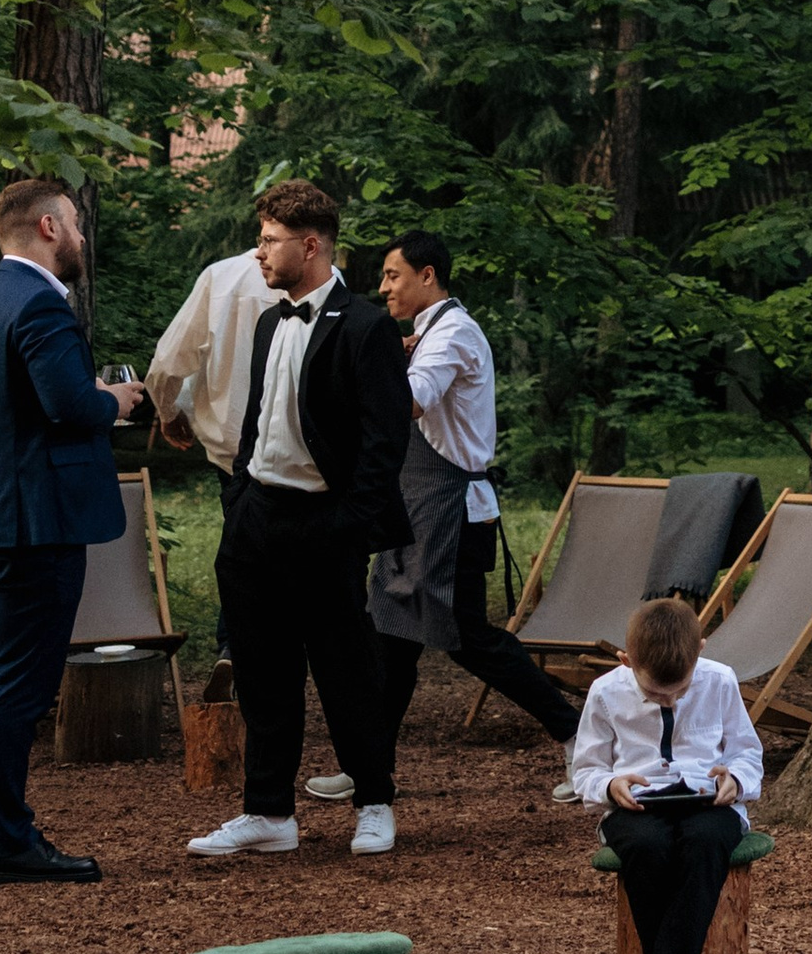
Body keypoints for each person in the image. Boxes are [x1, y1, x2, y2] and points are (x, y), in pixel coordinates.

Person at [0, 178, 144, 884]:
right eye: (74, 224)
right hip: (32, 523)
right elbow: (68, 405)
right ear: (47, 227)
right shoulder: (41, 307)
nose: (81, 236)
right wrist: (118, 399)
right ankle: (9, 840)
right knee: (19, 685)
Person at [188, 180, 412, 861]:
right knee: (261, 670)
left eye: (269, 241)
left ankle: (374, 802)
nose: (259, 253)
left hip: (326, 524)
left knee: (346, 669)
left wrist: (347, 527)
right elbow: (260, 422)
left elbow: (385, 442)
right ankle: (268, 813)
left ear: (309, 245)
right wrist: (241, 503)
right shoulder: (265, 321)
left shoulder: (368, 327)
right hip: (258, 519)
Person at [313, 230, 578, 800]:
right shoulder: (427, 334)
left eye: (393, 275)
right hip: (413, 509)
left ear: (427, 276)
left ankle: (578, 734)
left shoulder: (453, 334)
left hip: (455, 514)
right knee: (391, 637)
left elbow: (407, 402)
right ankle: (369, 769)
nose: (383, 287)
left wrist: (373, 362)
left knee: (469, 640)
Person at [572, 593, 764, 954]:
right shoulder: (604, 692)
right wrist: (610, 783)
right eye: (657, 695)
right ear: (626, 660)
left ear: (700, 650)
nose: (671, 700)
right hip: (638, 808)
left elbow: (746, 752)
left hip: (705, 803)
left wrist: (735, 780)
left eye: (679, 690)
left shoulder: (719, 681)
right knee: (648, 846)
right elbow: (586, 770)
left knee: (706, 842)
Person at [145, 246, 281, 675]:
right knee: (283, 549)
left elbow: (169, 362)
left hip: (234, 446)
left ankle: (236, 647)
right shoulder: (326, 278)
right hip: (299, 447)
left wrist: (169, 414)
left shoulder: (221, 277)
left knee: (244, 544)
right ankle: (260, 648)